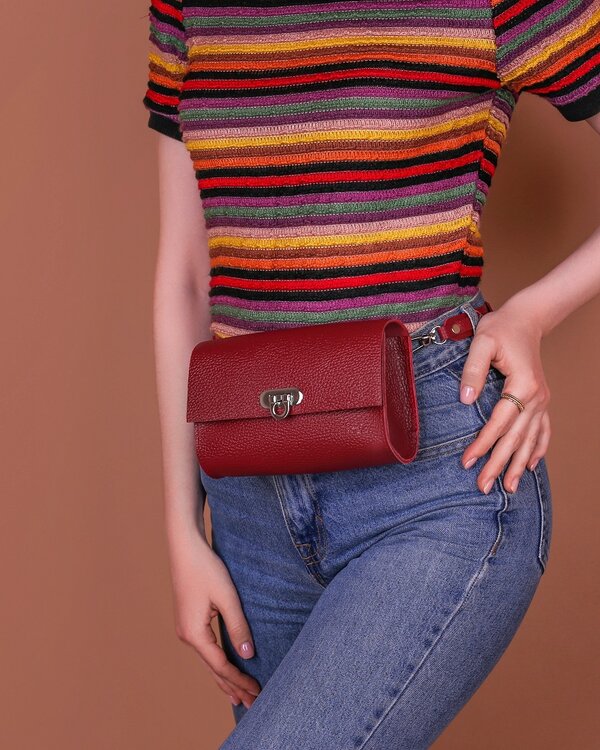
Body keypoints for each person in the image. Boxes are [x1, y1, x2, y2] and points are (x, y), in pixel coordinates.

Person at [141, 0, 600, 747]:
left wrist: (531, 315)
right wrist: (179, 528)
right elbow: (186, 278)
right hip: (249, 490)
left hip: (434, 473)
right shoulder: (186, 10)